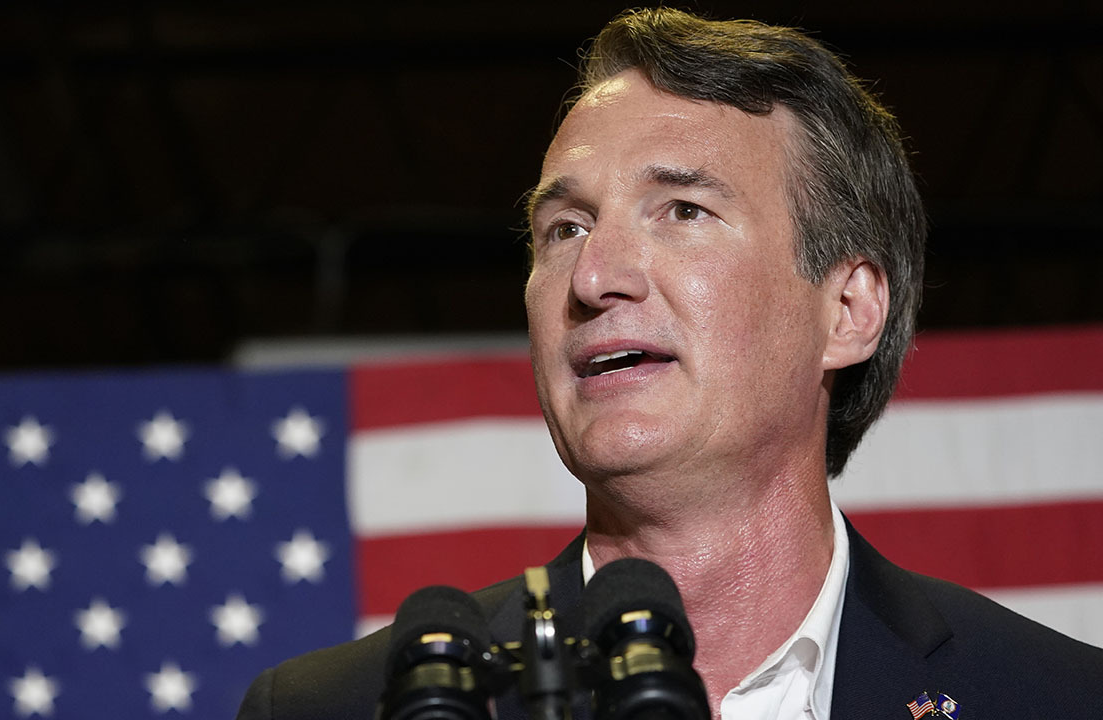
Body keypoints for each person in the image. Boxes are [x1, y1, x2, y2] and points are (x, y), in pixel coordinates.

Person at [238, 8, 1103, 719]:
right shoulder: (337, 709)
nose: (594, 277)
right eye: (564, 229)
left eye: (682, 210)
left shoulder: (1053, 700)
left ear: (848, 310)